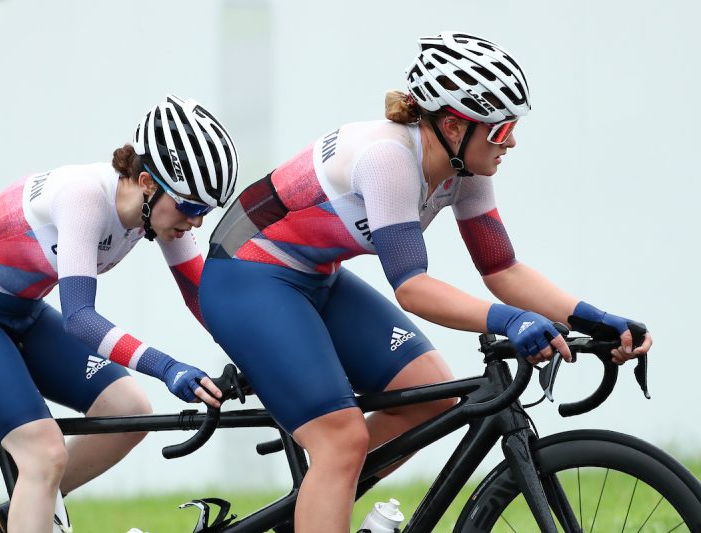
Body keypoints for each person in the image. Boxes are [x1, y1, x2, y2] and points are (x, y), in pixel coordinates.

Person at [198, 32, 652, 532]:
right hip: (245, 279)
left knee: (431, 392)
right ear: (455, 126)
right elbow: (411, 287)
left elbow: (503, 270)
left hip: (314, 278)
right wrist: (512, 321)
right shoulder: (389, 159)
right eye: (501, 130)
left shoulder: (467, 170)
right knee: (340, 441)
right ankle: (324, 499)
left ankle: (312, 512)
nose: (512, 142)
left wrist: (596, 317)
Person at [0, 95, 238, 533]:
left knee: (128, 410)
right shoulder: (86, 197)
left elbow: (205, 298)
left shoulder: (160, 213)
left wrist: (261, 356)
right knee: (44, 455)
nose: (196, 223)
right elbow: (81, 319)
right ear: (147, 182)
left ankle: (29, 511)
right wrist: (167, 367)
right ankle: (36, 491)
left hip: (20, 311)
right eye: (191, 208)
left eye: (205, 211)